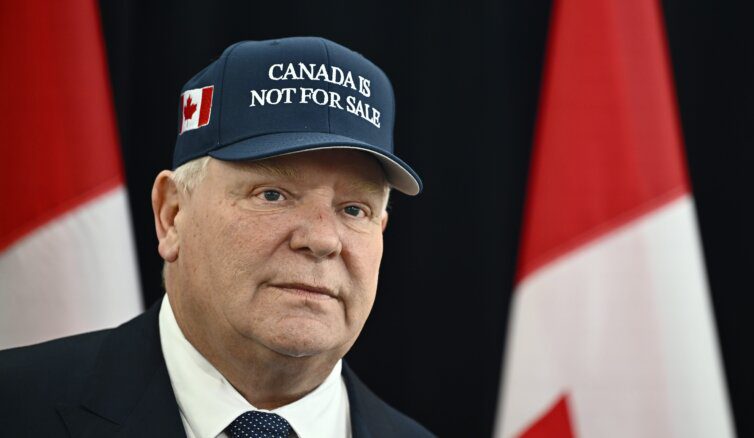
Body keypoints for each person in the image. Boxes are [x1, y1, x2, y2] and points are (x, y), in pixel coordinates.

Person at [0, 37, 433, 438]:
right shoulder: (15, 408)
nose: (322, 239)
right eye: (272, 194)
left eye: (354, 209)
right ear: (172, 215)